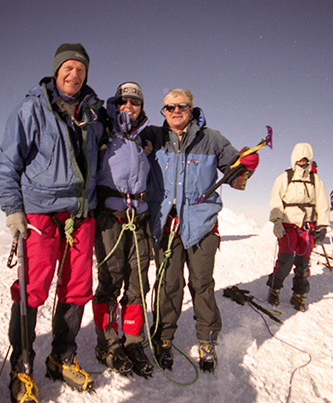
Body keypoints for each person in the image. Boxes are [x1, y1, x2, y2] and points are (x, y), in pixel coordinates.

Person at [0, 43, 105, 403]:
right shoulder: (31, 109)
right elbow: (7, 163)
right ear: (57, 71)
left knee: (77, 287)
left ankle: (61, 357)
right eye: (68, 68)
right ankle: (21, 368)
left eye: (81, 69)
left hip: (80, 212)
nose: (74, 75)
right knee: (33, 287)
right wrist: (13, 208)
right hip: (40, 210)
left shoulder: (92, 114)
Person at [141, 88, 259, 372]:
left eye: (182, 106)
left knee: (201, 285)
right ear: (164, 112)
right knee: (168, 284)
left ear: (192, 109)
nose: (176, 111)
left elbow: (236, 176)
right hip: (166, 225)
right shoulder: (153, 137)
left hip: (202, 225)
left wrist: (246, 166)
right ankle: (163, 339)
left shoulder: (212, 139)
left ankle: (207, 340)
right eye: (169, 107)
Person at [92, 82, 153, 377]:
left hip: (138, 220)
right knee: (110, 282)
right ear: (115, 104)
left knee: (138, 285)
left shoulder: (143, 140)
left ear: (141, 107)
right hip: (110, 218)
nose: (128, 106)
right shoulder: (103, 131)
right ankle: (108, 342)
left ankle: (133, 341)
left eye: (135, 102)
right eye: (123, 101)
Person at [267, 143, 330, 311]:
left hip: (307, 227)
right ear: (294, 160)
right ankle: (275, 288)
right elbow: (276, 201)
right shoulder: (284, 178)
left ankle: (298, 295)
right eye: (300, 160)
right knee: (286, 261)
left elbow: (322, 203)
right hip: (288, 227)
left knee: (303, 263)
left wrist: (322, 225)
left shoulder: (315, 180)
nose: (303, 163)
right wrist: (277, 222)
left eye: (306, 160)